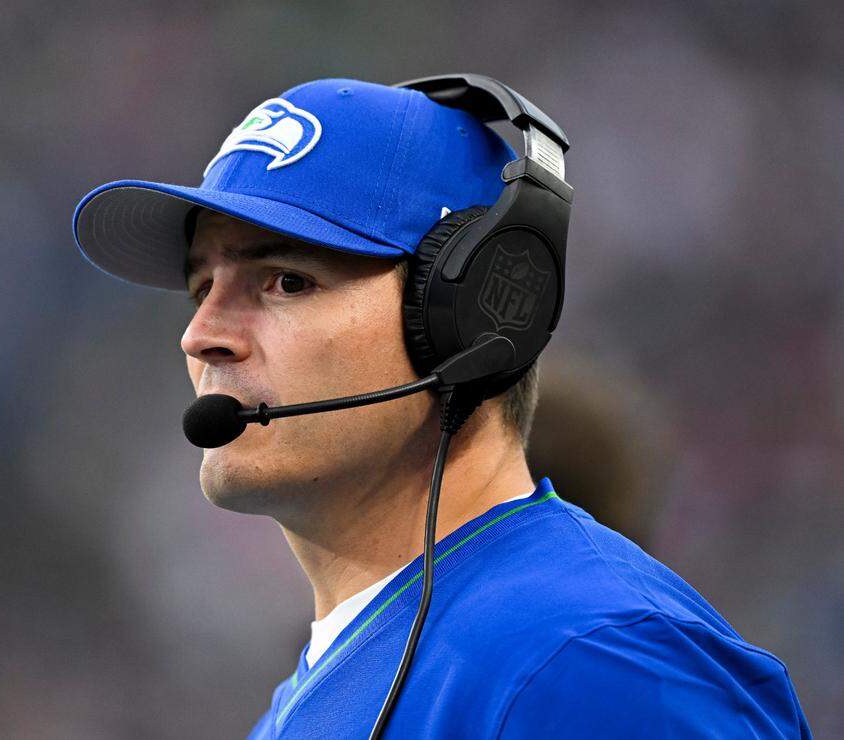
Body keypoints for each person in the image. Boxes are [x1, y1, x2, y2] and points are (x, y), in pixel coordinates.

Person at [72, 77, 811, 738]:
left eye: (286, 281)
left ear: (473, 320)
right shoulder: (315, 696)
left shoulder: (593, 660)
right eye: (203, 288)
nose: (202, 336)